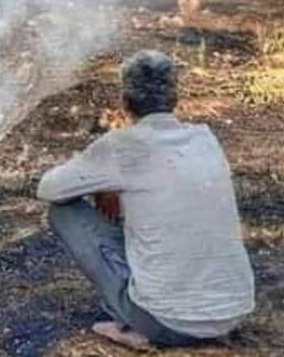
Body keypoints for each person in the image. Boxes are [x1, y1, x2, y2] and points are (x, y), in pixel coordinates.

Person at [37, 50, 254, 350]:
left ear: (125, 102)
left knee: (63, 213)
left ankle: (130, 322)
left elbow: (49, 188)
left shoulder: (123, 145)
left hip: (168, 322)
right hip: (234, 312)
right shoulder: (204, 138)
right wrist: (116, 190)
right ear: (175, 98)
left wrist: (102, 185)